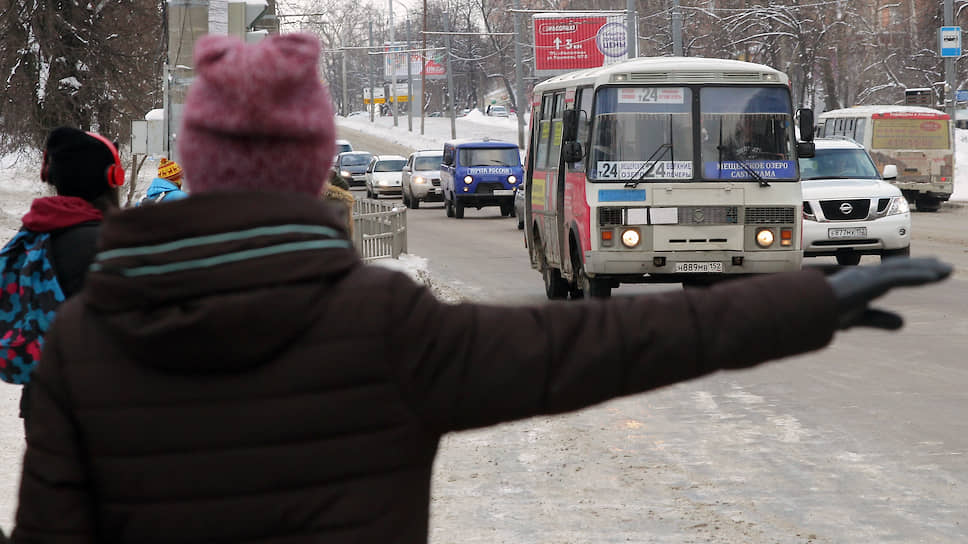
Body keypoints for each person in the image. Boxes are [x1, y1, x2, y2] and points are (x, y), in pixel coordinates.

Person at [11, 34, 951, 543]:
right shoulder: (383, 328)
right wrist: (806, 303)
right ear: (312, 170)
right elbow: (609, 347)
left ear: (197, 167)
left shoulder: (87, 343)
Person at [0, 127, 121, 427]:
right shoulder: (113, 244)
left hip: (42, 407)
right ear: (112, 179)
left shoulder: (33, 236)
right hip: (105, 410)